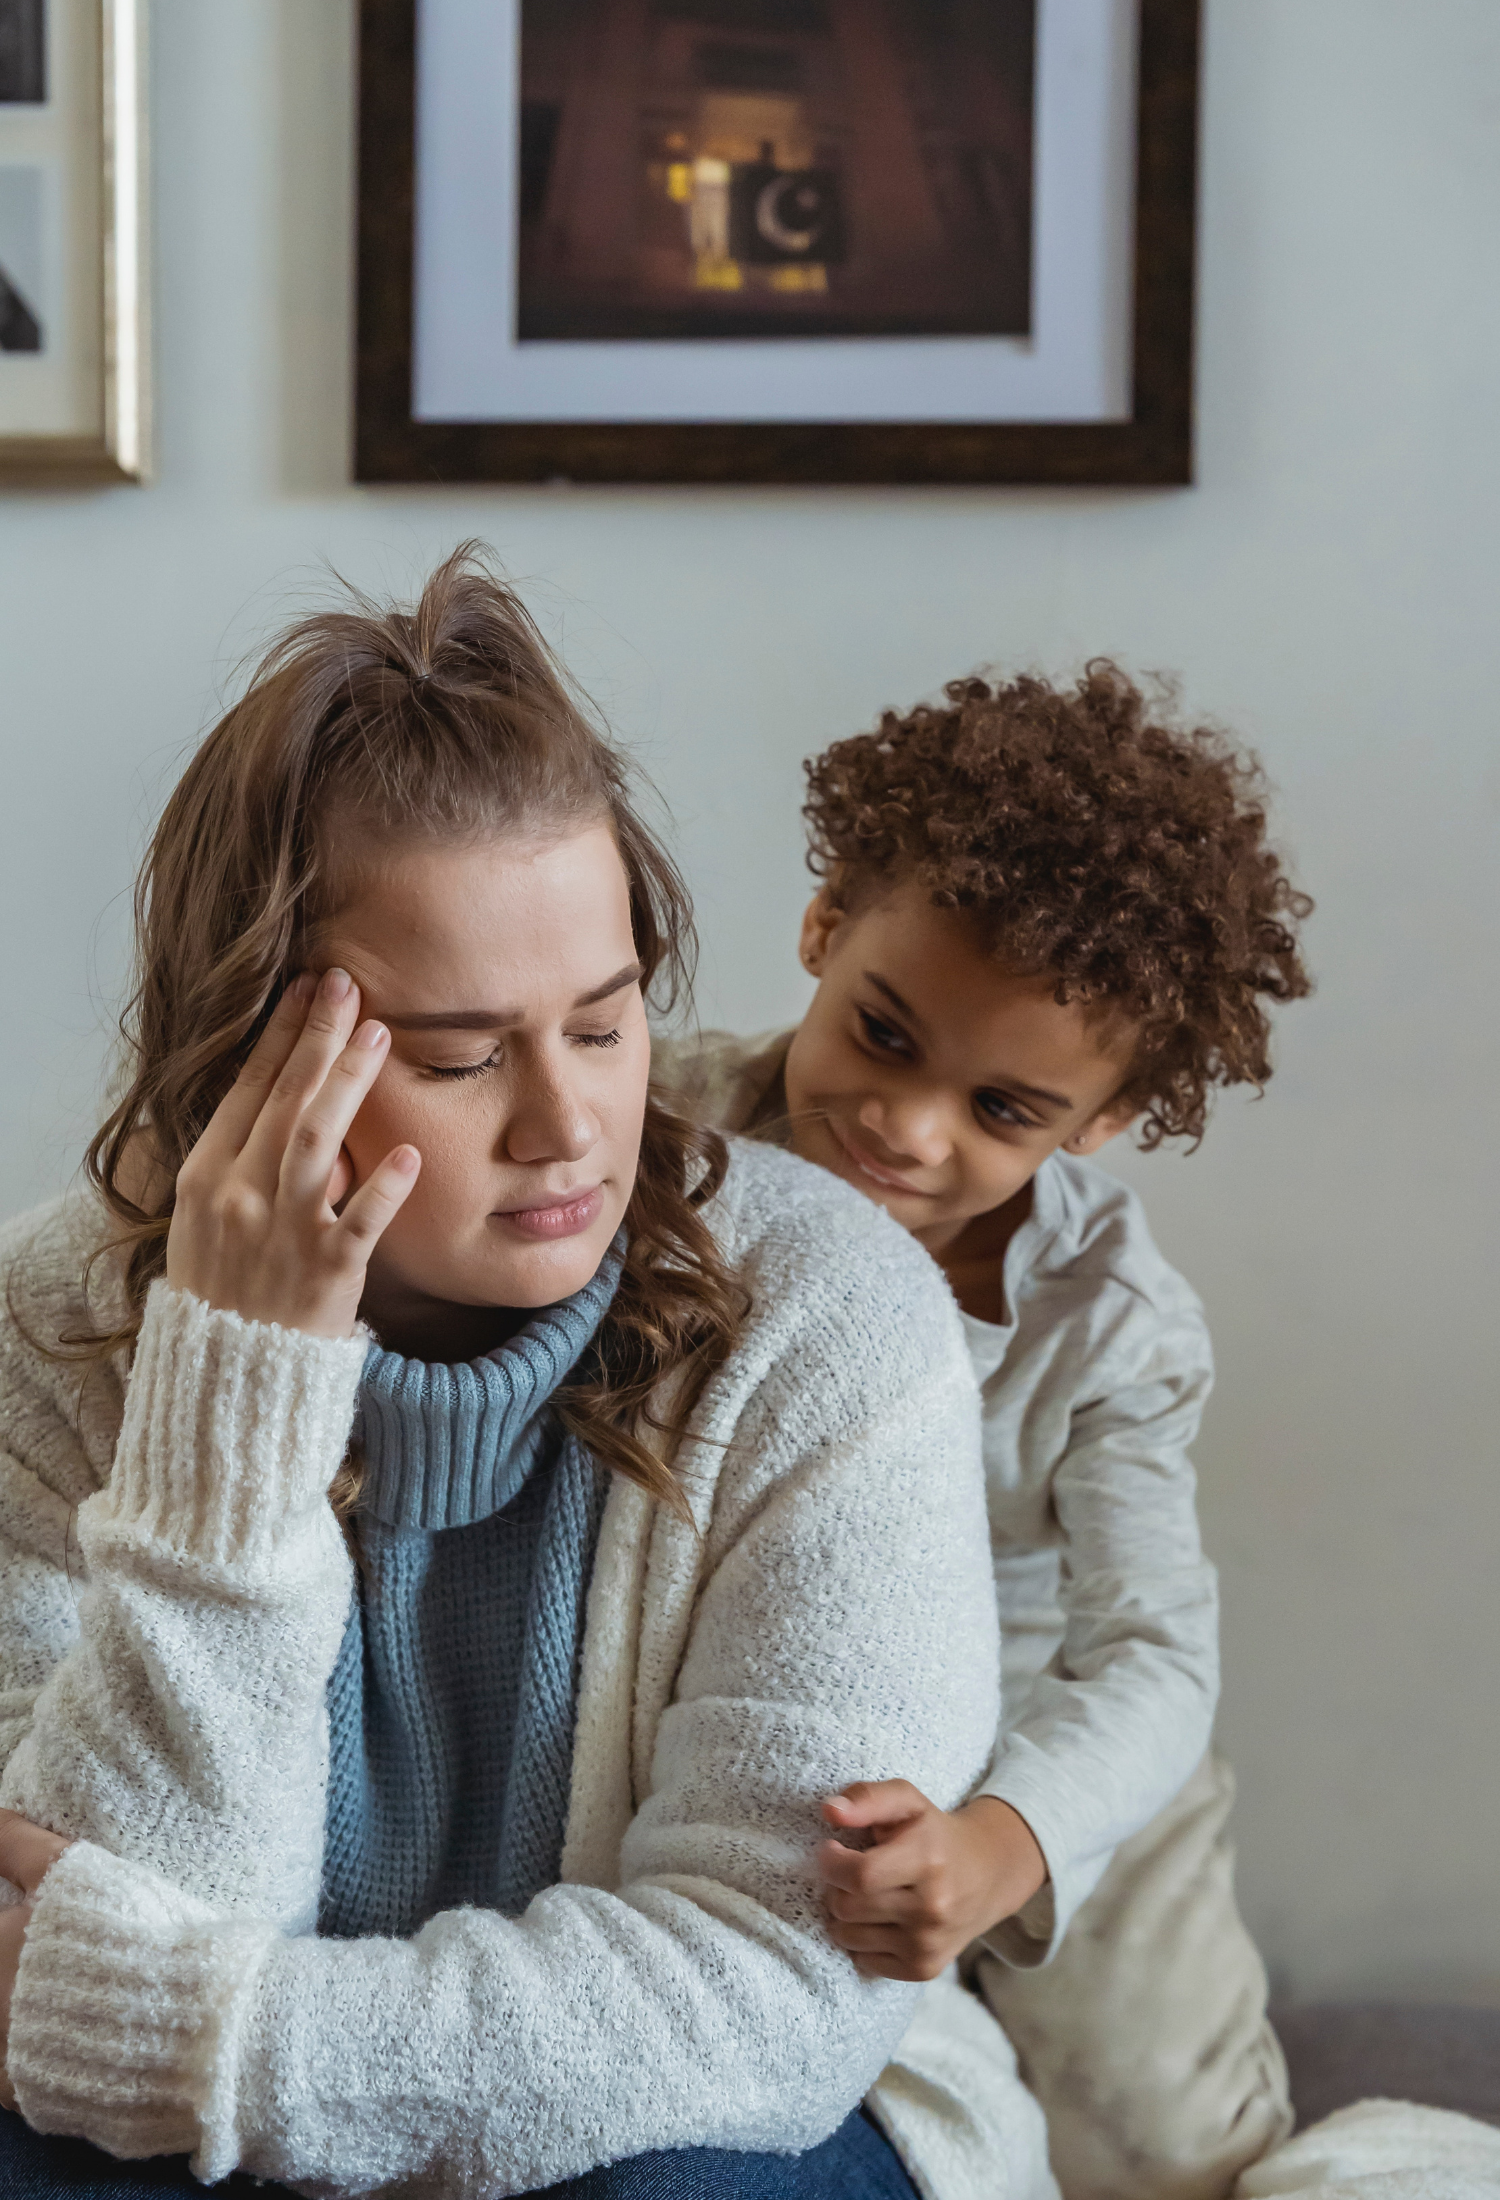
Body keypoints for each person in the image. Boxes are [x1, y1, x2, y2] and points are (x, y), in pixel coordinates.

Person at [0, 553, 1051, 2199]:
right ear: (247, 1054)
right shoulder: (55, 1324)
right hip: (213, 2128)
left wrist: (211, 2045)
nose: (568, 1128)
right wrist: (237, 1389)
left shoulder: (831, 1320)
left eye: (608, 1021)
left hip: (730, 2116)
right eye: (461, 1056)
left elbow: (766, 1989)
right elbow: (83, 1927)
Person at [654, 664, 1313, 2200]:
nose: (909, 1126)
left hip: (1047, 1755)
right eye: (881, 1036)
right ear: (823, 930)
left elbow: (1150, 1653)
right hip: (774, 1731)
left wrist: (1010, 1841)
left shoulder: (1115, 1323)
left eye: (1002, 1110)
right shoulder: (656, 1141)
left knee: (1166, 2154)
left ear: (1099, 1122)